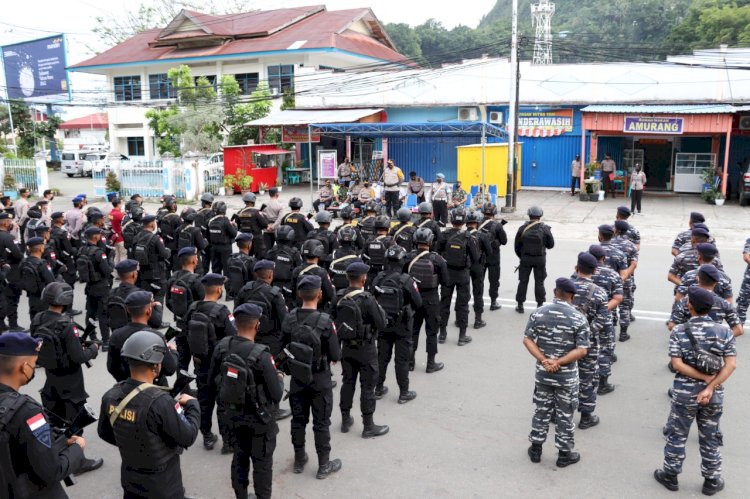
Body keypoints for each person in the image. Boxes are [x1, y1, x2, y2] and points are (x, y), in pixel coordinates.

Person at [653, 286, 736, 495]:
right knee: (710, 436)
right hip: (713, 394)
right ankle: (711, 481)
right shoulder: (724, 331)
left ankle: (670, 475)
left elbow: (677, 364)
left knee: (677, 434)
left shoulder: (679, 330)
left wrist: (702, 378)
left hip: (684, 393)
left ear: (690, 306)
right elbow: (731, 365)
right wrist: (710, 385)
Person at [98, 330, 200, 499]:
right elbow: (187, 436)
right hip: (163, 484)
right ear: (156, 365)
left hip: (131, 479)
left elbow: (105, 432)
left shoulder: (111, 396)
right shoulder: (160, 402)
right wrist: (193, 405)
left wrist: (135, 446)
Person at [208, 303, 283, 499]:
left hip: (232, 416)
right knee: (262, 465)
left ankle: (241, 496)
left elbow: (211, 381)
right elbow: (276, 394)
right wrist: (280, 378)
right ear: (257, 325)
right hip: (260, 420)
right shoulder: (262, 355)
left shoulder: (222, 347)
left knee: (239, 459)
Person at [0, 332, 87, 497]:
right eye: (33, 364)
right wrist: (77, 449)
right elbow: (51, 470)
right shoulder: (28, 412)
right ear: (24, 368)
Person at [32, 282, 104, 476]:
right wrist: (94, 349)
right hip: (71, 382)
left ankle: (57, 454)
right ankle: (77, 462)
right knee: (75, 422)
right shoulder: (66, 325)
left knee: (55, 421)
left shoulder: (38, 319)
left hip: (51, 378)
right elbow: (78, 357)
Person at [282, 275, 343, 479]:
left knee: (298, 420)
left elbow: (282, 348)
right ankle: (324, 465)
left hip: (297, 379)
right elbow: (335, 355)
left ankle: (299, 459)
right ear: (320, 294)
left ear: (299, 294)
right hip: (320, 378)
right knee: (321, 422)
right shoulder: (326, 321)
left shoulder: (290, 318)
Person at [524, 278, 589, 468]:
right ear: (572, 296)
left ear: (555, 291)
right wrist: (558, 362)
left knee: (541, 410)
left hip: (544, 374)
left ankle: (536, 449)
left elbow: (527, 340)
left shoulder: (539, 313)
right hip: (566, 377)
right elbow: (582, 350)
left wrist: (545, 360)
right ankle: (564, 454)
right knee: (565, 414)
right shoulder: (578, 318)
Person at [336, 261, 389, 438]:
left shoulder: (339, 297)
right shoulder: (367, 299)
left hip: (346, 348)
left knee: (347, 382)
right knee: (367, 387)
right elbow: (381, 324)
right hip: (366, 349)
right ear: (364, 278)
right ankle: (368, 425)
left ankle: (345, 419)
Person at [185, 273, 237, 451]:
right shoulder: (222, 312)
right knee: (224, 404)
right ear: (218, 289)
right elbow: (233, 338)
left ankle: (207, 436)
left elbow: (184, 336)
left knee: (204, 401)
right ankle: (228, 442)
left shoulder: (193, 309)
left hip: (201, 364)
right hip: (220, 366)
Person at [372, 245, 422, 404]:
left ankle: (378, 388)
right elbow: (418, 302)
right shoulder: (406, 280)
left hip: (384, 323)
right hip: (403, 325)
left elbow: (372, 298)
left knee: (382, 357)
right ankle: (403, 393)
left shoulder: (379, 277)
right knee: (402, 360)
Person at [107, 290, 178, 385]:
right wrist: (173, 351)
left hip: (127, 388)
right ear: (149, 310)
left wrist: (125, 380)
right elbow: (170, 369)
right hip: (155, 389)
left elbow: (112, 367)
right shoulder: (155, 336)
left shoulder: (116, 335)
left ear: (128, 310)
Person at [571, 253, 609, 430]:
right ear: (594, 270)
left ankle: (557, 413)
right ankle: (586, 417)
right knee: (587, 378)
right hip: (588, 344)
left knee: (563, 376)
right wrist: (584, 335)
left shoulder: (566, 288)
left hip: (566, 343)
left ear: (577, 268)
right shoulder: (599, 292)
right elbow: (602, 322)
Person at [405, 227, 447, 373]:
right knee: (431, 332)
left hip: (413, 299)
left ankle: (410, 362)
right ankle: (430, 364)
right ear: (430, 241)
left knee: (413, 331)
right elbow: (446, 281)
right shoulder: (437, 259)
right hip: (432, 300)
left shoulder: (407, 257)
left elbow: (403, 277)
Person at [437, 207, 479, 346]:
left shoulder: (445, 234)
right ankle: (462, 336)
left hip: (447, 273)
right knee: (462, 305)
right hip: (463, 274)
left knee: (444, 303)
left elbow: (437, 253)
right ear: (464, 221)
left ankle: (442, 334)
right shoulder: (468, 237)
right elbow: (476, 257)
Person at [587, 245, 624, 394]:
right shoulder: (612, 274)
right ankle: (602, 384)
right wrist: (603, 309)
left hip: (585, 317)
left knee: (585, 347)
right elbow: (618, 298)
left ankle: (585, 380)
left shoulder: (581, 272)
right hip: (605, 317)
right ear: (603, 258)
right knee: (605, 349)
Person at [166, 247, 205, 385]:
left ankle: (182, 388)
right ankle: (200, 389)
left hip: (179, 324)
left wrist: (181, 313)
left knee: (182, 359)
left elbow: (168, 303)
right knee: (200, 359)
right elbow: (203, 304)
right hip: (196, 327)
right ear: (194, 260)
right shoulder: (197, 281)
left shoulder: (173, 278)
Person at [107, 259, 165, 348]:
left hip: (118, 337)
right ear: (134, 274)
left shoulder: (112, 293)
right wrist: (157, 307)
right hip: (138, 339)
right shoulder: (139, 295)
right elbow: (157, 322)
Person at [514, 206, 554, 313]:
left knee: (523, 281)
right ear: (540, 216)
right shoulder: (545, 229)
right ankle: (540, 305)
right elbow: (551, 245)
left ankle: (520, 305)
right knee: (539, 282)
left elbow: (516, 246)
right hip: (540, 259)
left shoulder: (522, 228)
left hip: (525, 259)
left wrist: (522, 257)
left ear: (529, 215)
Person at [77, 226, 113, 342]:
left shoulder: (82, 249)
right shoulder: (98, 252)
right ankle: (106, 340)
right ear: (96, 236)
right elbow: (107, 270)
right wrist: (110, 259)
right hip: (101, 286)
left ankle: (92, 337)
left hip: (89, 286)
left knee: (91, 313)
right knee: (103, 314)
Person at [132, 215, 171, 304]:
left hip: (142, 273)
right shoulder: (156, 239)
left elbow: (133, 255)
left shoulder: (136, 237)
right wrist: (168, 251)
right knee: (157, 300)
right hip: (156, 275)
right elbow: (164, 254)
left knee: (144, 300)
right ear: (152, 224)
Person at [291, 240, 335, 311]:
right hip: (317, 310)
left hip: (299, 309)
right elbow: (330, 294)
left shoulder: (296, 270)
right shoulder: (322, 272)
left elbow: (293, 292)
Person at [20, 237, 56, 323]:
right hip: (44, 299)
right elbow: (51, 282)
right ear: (41, 248)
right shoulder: (42, 264)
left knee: (35, 322)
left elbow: (21, 281)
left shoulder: (24, 263)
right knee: (45, 325)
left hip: (32, 298)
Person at [480, 203, 508, 311]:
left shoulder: (477, 223)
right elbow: (504, 241)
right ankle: (493, 302)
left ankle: (479, 301)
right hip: (493, 257)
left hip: (480, 256)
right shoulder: (497, 225)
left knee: (479, 280)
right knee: (494, 281)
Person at [266, 225, 303, 308]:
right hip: (289, 286)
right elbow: (299, 270)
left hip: (272, 284)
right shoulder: (294, 252)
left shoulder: (272, 251)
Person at [0, 212, 24, 331]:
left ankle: (2, 324)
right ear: (5, 223)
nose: (12, 224)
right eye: (10, 222)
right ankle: (13, 324)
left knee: (2, 299)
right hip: (11, 271)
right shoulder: (8, 237)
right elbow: (18, 254)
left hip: (2, 271)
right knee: (12, 298)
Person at [233, 192, 269, 259]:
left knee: (246, 259)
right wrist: (263, 215)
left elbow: (237, 227)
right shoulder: (256, 212)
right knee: (260, 259)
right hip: (257, 239)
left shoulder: (240, 212)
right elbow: (265, 224)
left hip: (245, 239)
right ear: (253, 201)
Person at [176, 207, 209, 274]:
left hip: (182, 259)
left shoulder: (179, 229)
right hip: (194, 259)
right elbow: (202, 246)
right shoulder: (195, 230)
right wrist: (206, 241)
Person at [207, 201, 237, 275]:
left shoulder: (210, 221)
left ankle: (216, 285)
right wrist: (234, 226)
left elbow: (207, 235)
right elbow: (234, 234)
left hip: (214, 248)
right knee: (227, 270)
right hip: (225, 249)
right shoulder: (226, 221)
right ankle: (227, 286)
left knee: (215, 269)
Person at [194, 193, 216, 275]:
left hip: (202, 242)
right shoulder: (213, 213)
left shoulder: (198, 213)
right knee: (214, 265)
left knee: (204, 264)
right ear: (210, 203)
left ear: (203, 203)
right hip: (212, 241)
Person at [109, 198, 127, 265]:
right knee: (123, 255)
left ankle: (116, 271)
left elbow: (113, 221)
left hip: (115, 237)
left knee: (117, 255)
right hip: (121, 237)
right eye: (121, 203)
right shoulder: (119, 214)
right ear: (118, 204)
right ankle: (123, 272)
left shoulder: (111, 213)